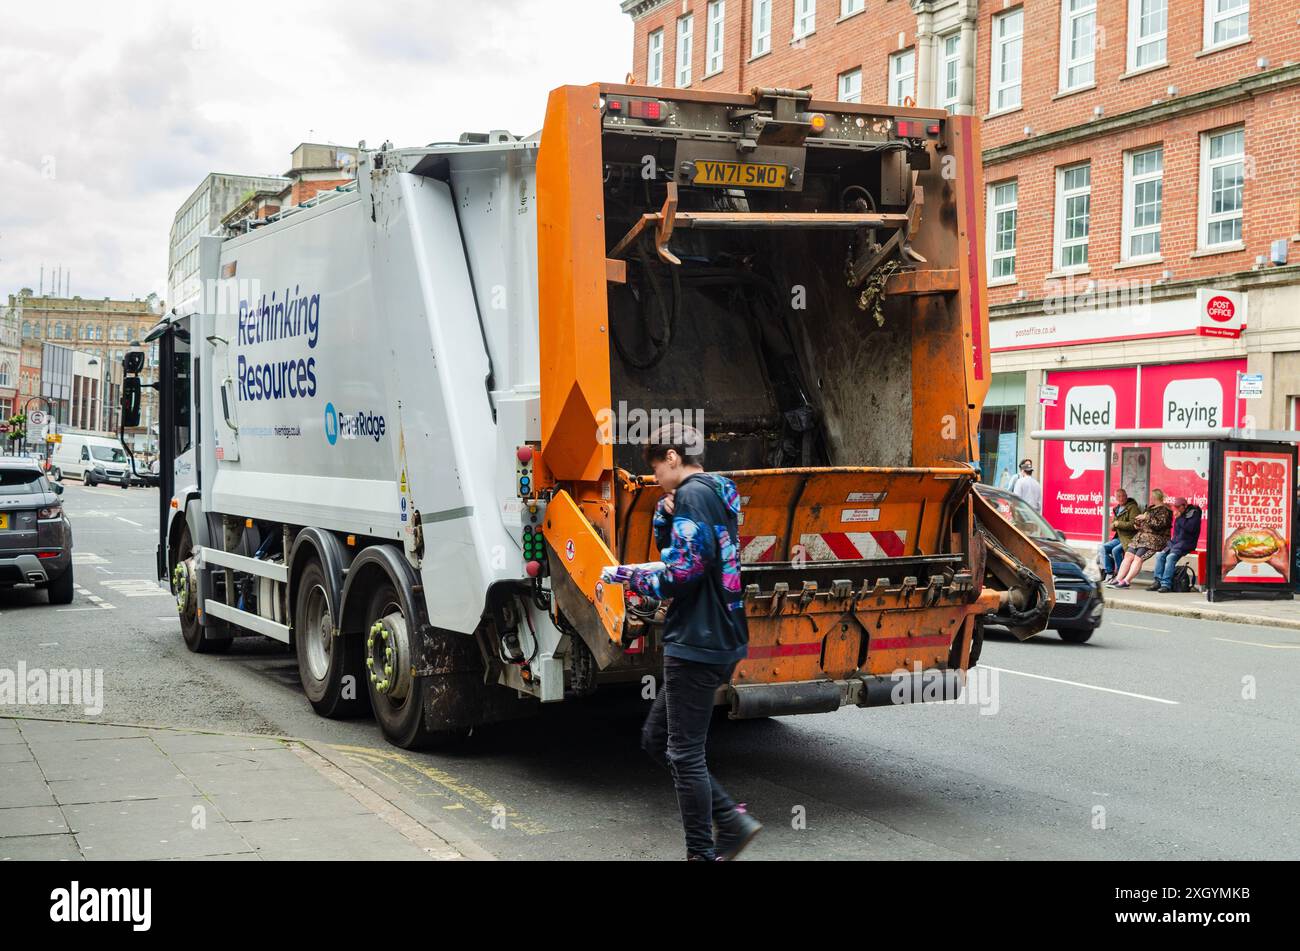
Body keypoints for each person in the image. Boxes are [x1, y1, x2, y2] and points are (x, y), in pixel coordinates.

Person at [600, 423, 760, 861]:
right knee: (658, 739)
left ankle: (702, 853)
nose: (654, 479)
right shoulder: (720, 492)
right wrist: (664, 516)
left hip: (696, 639)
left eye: (655, 469)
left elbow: (681, 574)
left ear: (673, 456)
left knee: (684, 753)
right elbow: (689, 554)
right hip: (722, 634)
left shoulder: (691, 494)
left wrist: (624, 576)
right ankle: (730, 820)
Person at [1108, 489, 1171, 588]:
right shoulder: (1150, 508)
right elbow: (1141, 522)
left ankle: (1126, 581)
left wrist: (1146, 518)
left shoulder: (1165, 510)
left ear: (1155, 497)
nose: (1150, 498)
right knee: (1128, 555)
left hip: (1154, 539)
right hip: (1140, 538)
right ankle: (1118, 579)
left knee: (1138, 558)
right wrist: (1138, 524)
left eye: (1152, 497)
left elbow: (1159, 524)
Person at [1151, 497, 1202, 592]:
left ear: (1185, 506)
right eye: (1175, 507)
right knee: (1160, 555)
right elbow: (1176, 534)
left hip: (1187, 543)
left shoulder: (1194, 514)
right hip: (1176, 543)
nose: (1177, 509)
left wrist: (1180, 518)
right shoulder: (1181, 514)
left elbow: (1190, 529)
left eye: (1179, 507)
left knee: (1170, 557)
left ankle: (1166, 584)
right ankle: (1158, 581)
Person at [1101, 488, 1140, 582]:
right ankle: (1110, 573)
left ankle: (1120, 574)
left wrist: (1119, 524)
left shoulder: (1132, 507)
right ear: (1115, 498)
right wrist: (1113, 526)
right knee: (1103, 548)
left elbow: (1134, 525)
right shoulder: (1116, 508)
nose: (1121, 498)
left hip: (1130, 538)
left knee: (1115, 551)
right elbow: (1113, 525)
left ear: (1126, 496)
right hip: (1119, 538)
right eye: (1119, 496)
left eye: (1123, 496)